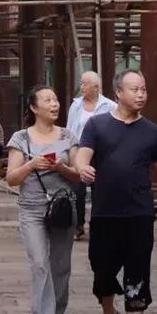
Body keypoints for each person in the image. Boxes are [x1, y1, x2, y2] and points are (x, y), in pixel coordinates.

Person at [75, 69, 157, 314]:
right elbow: (82, 156)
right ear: (118, 93)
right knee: (102, 272)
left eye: (143, 89)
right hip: (105, 214)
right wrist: (83, 168)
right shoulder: (97, 125)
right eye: (134, 89)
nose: (141, 94)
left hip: (139, 215)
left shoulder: (152, 132)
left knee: (138, 273)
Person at [6, 85, 81, 314]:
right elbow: (11, 179)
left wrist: (61, 167)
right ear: (34, 107)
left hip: (62, 208)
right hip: (32, 209)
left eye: (55, 99)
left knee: (61, 269)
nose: (54, 104)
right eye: (47, 100)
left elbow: (78, 175)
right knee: (40, 265)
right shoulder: (20, 139)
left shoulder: (68, 136)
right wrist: (31, 164)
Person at [66, 71, 116, 241]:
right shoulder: (76, 105)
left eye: (85, 84)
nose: (81, 87)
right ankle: (78, 226)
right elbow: (69, 130)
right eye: (81, 83)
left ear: (96, 87)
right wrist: (69, 151)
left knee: (99, 191)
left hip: (101, 154)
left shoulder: (109, 106)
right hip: (80, 152)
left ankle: (97, 226)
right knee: (77, 190)